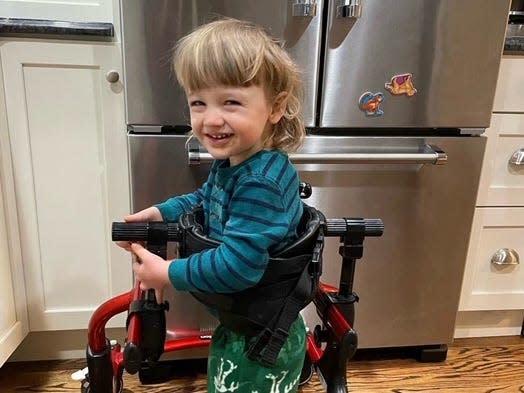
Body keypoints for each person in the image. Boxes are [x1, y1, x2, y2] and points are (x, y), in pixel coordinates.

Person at [120, 18, 307, 392]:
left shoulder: (259, 182)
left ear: (275, 107)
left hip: (259, 336)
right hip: (246, 323)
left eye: (231, 102)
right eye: (198, 102)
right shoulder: (238, 162)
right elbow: (205, 200)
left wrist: (168, 272)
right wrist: (160, 214)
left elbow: (239, 267)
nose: (211, 118)